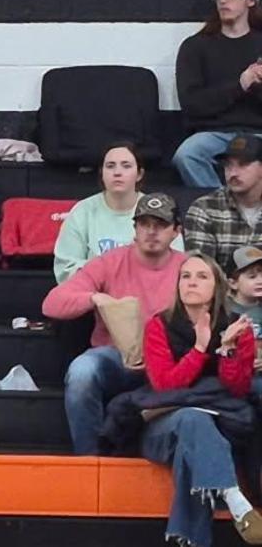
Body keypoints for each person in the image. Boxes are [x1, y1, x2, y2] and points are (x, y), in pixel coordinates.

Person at [126, 253, 262, 546]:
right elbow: (164, 386)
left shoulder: (238, 327)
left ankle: (192, 541)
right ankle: (234, 497)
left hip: (219, 427)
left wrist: (226, 349)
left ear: (218, 286)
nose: (191, 283)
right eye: (185, 276)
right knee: (191, 418)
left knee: (194, 440)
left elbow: (238, 389)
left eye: (202, 277)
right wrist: (200, 348)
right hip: (162, 426)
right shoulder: (158, 325)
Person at [43, 193, 188, 454]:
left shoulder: (189, 267)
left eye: (161, 225)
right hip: (118, 359)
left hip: (171, 363)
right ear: (134, 229)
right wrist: (95, 298)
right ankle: (89, 462)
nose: (151, 232)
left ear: (176, 231)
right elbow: (52, 303)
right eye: (144, 224)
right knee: (82, 371)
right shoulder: (110, 261)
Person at [171, 0, 262, 189]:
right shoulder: (195, 47)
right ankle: (225, 207)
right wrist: (240, 84)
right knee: (187, 155)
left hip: (258, 130)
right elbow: (193, 104)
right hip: (213, 133)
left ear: (250, 0)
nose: (223, 0)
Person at [57, 142, 184, 284]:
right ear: (102, 173)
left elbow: (176, 266)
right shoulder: (82, 211)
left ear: (139, 174)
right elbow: (66, 269)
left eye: (126, 166)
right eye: (110, 166)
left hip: (150, 293)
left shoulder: (159, 210)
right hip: (94, 296)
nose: (117, 172)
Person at [184, 134, 262, 272]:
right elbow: (201, 274)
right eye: (228, 165)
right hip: (222, 292)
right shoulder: (204, 209)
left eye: (243, 164)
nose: (233, 173)